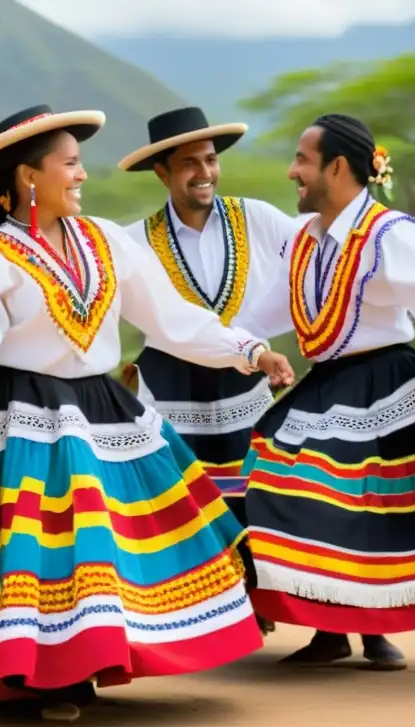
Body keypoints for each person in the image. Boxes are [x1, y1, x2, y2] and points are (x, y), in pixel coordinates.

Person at [0, 105, 295, 722]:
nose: (82, 174)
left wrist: (250, 351)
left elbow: (171, 318)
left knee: (121, 536)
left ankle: (105, 657)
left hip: (101, 404)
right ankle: (56, 675)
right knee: (58, 547)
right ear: (30, 176)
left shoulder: (105, 239)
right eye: (71, 163)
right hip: (30, 412)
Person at [232, 114, 415, 670]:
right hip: (326, 385)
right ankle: (330, 627)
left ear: (338, 168)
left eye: (302, 160)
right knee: (282, 484)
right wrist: (226, 343)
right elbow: (266, 310)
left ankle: (376, 631)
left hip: (384, 382)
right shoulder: (305, 240)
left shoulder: (388, 233)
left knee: (365, 503)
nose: (291, 171)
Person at [116, 106, 303, 633]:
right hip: (172, 385)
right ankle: (196, 614)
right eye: (189, 163)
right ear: (162, 172)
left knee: (257, 491)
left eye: (211, 159)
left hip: (244, 377)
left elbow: (314, 259)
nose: (204, 172)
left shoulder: (259, 219)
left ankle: (259, 602)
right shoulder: (132, 240)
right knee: (181, 499)